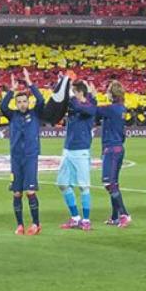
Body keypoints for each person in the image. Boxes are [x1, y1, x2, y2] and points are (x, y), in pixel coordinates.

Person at [0, 68, 44, 235]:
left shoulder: (35, 113)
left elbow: (41, 99)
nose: (22, 104)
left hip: (30, 157)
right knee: (17, 192)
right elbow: (2, 106)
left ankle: (36, 223)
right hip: (16, 158)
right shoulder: (13, 115)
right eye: (19, 102)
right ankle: (20, 225)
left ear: (28, 102)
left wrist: (29, 82)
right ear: (16, 104)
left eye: (25, 101)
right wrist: (12, 90)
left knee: (30, 191)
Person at [57, 79, 98, 231]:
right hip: (67, 149)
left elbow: (87, 108)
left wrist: (71, 95)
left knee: (83, 186)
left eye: (74, 91)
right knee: (62, 184)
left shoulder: (89, 106)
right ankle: (75, 217)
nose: (72, 95)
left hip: (81, 151)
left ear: (80, 92)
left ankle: (86, 220)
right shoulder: (76, 105)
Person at [95, 80, 131, 228]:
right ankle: (115, 216)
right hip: (118, 148)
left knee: (108, 183)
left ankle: (124, 214)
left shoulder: (111, 109)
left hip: (111, 149)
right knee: (114, 183)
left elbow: (94, 110)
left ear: (112, 94)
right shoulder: (121, 108)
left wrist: (91, 95)